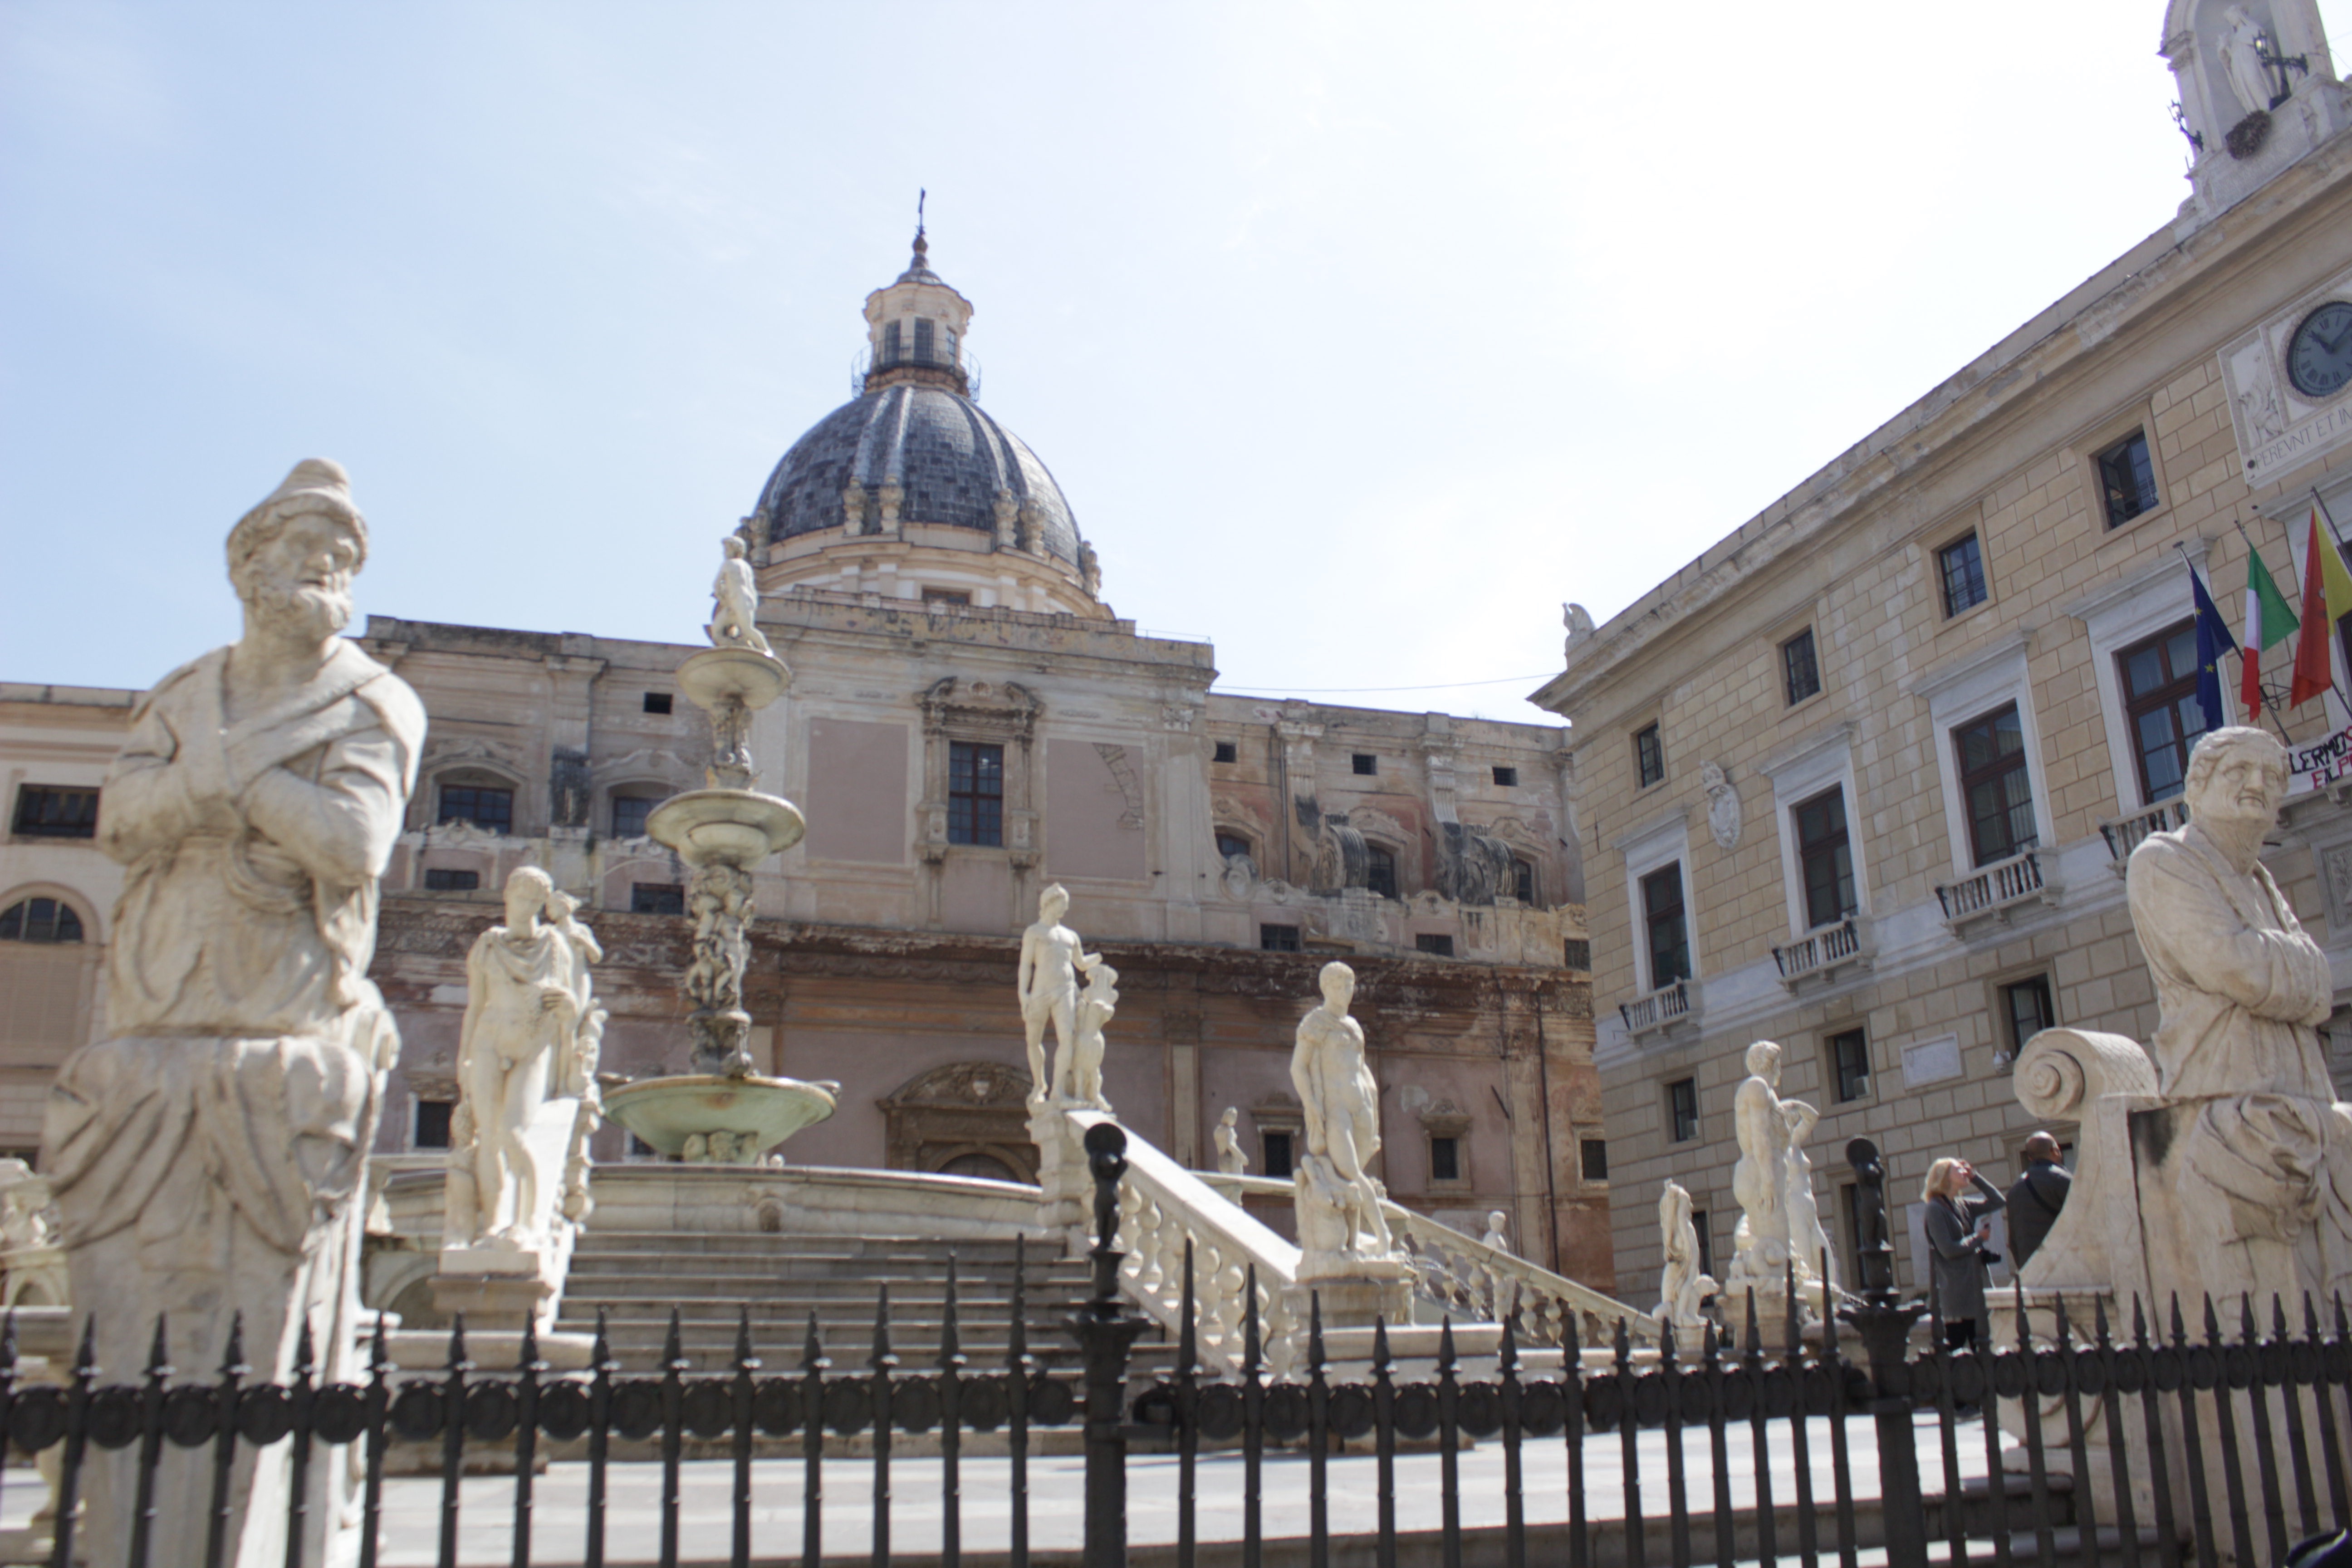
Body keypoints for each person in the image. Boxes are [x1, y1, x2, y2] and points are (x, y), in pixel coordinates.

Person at [1291, 960, 1393, 1258]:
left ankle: (1351, 1242)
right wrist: (1310, 1104)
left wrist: (1373, 1106)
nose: (1345, 991)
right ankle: (1382, 1233)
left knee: (1351, 1177)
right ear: (1325, 988)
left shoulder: (1354, 1026)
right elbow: (1298, 1067)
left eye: (1349, 985)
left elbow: (1362, 1069)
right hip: (1334, 1108)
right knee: (1349, 1171)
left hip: (1361, 1107)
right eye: (1338, 986)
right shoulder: (1315, 1023)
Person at [1016, 884, 1098, 1102]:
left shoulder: (1070, 936)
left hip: (1066, 990)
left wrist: (1097, 958)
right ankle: (1039, 1084)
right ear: (1050, 903)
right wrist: (1023, 993)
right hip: (1040, 991)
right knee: (1033, 1040)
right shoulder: (1034, 932)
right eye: (1063, 904)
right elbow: (1026, 964)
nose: (1066, 908)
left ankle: (1058, 1090)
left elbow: (1080, 964)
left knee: (1067, 1039)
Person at [1922, 1156, 2005, 1350]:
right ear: (1944, 1177)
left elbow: (1998, 1201)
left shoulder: (1962, 1204)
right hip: (1958, 1295)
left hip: (1975, 1287)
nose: (1964, 1172)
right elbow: (1949, 1250)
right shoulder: (1935, 1209)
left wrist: (1976, 1177)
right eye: (1959, 1170)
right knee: (1956, 1349)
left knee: (1983, 1348)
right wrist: (1978, 1238)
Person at [2004, 1132, 2072, 1272]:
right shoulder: (2063, 1179)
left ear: (2030, 1157)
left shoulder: (2014, 1190)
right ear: (2055, 1151)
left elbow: (2013, 1241)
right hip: (2063, 1263)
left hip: (2031, 1268)